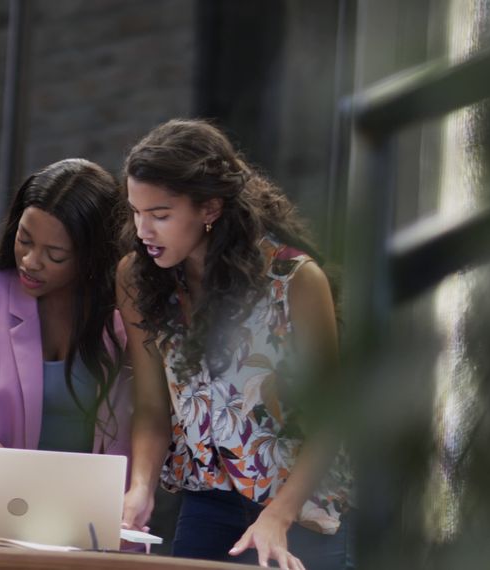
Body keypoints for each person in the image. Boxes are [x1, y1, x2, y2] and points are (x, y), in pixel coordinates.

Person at [117, 119, 353, 570]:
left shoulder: (295, 281)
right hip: (207, 501)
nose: (143, 229)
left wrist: (278, 516)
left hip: (303, 507)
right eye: (136, 211)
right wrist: (141, 486)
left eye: (160, 215)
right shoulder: (137, 277)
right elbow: (151, 405)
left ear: (209, 208)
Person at [0, 158, 132, 461]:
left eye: (55, 254)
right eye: (24, 240)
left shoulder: (125, 313)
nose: (30, 261)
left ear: (91, 255)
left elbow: (135, 432)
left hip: (98, 499)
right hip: (0, 489)